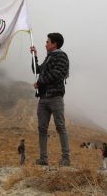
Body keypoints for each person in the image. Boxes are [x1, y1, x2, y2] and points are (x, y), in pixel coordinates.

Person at [30, 33, 70, 166]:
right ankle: (43, 159)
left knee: (60, 126)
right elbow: (37, 70)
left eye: (47, 42)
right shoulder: (49, 58)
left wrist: (40, 83)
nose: (45, 44)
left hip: (55, 97)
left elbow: (57, 74)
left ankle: (66, 158)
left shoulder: (62, 56)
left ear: (55, 44)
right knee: (42, 129)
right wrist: (34, 56)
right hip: (43, 98)